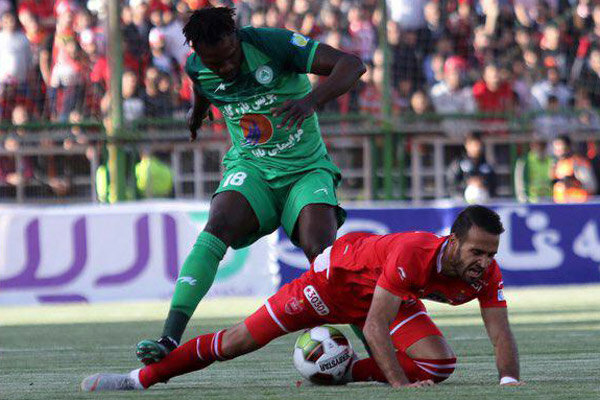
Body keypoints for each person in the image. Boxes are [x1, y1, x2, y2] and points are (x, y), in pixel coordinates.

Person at [134, 6, 366, 365]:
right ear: (198, 53)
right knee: (217, 225)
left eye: (230, 56)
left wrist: (310, 101)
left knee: (321, 251)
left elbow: (352, 65)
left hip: (305, 169)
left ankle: (378, 348)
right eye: (215, 63)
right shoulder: (197, 67)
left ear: (236, 36)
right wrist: (198, 112)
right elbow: (202, 85)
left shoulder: (272, 45)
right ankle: (169, 337)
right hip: (252, 167)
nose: (226, 67)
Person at [81, 205, 523, 391]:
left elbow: (500, 332)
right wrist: (400, 387)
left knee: (439, 366)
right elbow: (373, 326)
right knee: (235, 342)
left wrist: (508, 382)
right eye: (477, 252)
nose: (484, 262)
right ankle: (138, 379)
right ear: (452, 242)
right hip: (329, 286)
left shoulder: (486, 274)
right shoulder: (413, 254)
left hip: (383, 293)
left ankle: (344, 371)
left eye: (490, 254)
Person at [447, 132, 497, 203]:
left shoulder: (486, 165)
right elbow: (452, 185)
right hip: (462, 204)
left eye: (478, 145)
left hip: (483, 203)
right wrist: (467, 184)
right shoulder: (458, 164)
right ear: (467, 145)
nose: (477, 148)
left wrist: (483, 184)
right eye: (474, 145)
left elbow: (494, 186)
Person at [551, 135, 597, 203]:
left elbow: (591, 186)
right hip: (561, 204)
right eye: (556, 148)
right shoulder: (556, 164)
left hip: (578, 204)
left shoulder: (578, 163)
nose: (558, 150)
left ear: (568, 147)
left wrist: (573, 182)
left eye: (561, 147)